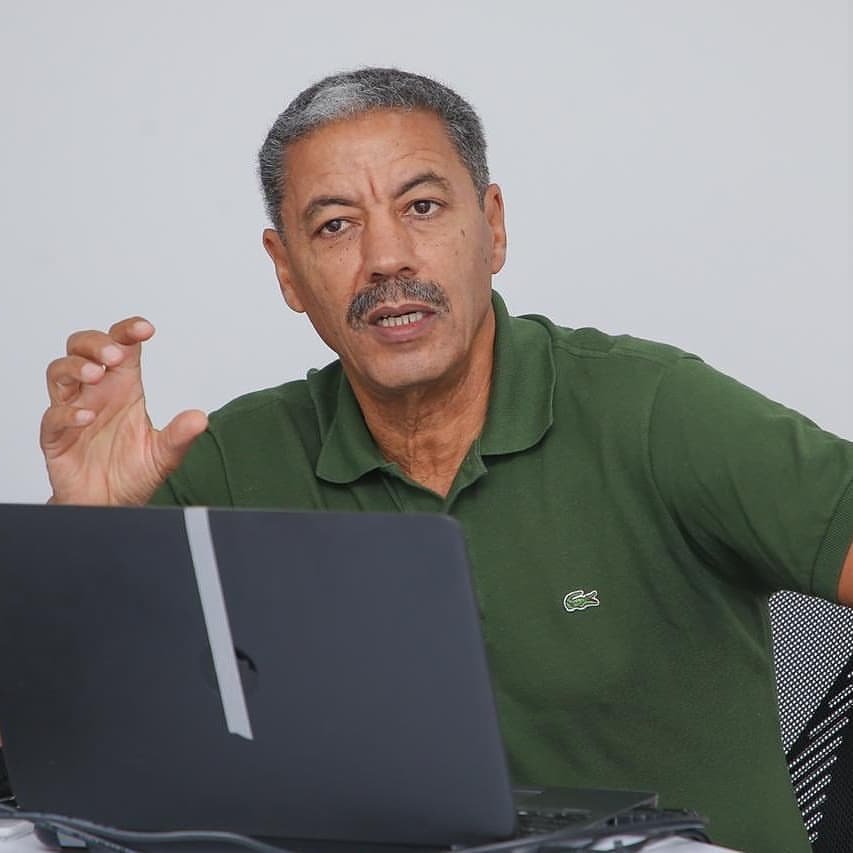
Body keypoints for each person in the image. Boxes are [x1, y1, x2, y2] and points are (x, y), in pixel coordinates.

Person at [40, 67, 853, 853]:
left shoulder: (653, 410)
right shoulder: (230, 460)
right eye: (335, 225)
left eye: (421, 206)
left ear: (492, 226)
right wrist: (85, 534)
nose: (386, 257)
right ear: (286, 269)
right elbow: (51, 739)